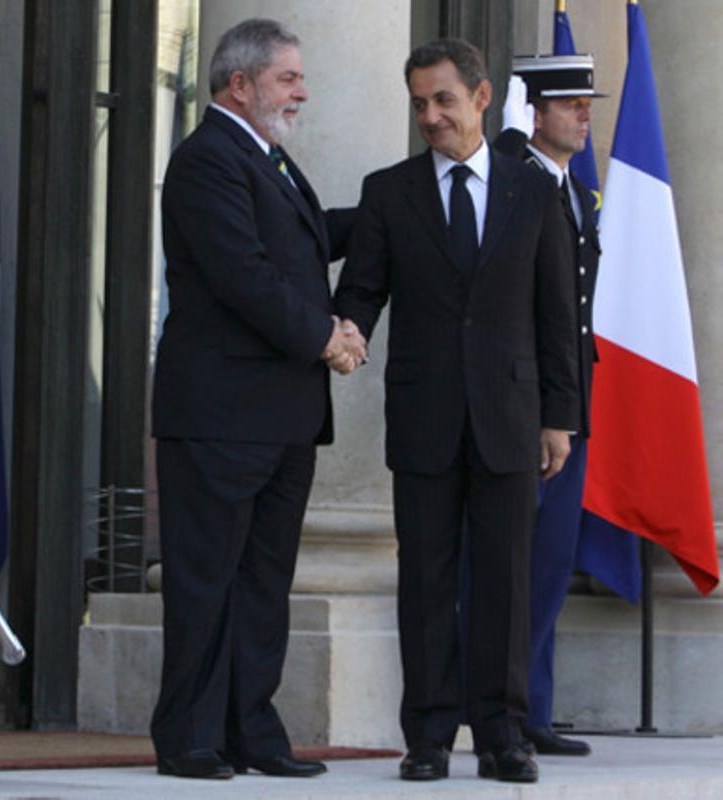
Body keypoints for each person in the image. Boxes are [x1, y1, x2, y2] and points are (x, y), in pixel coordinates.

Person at [334, 38, 579, 784]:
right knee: (427, 582)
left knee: (505, 580)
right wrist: (346, 331)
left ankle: (503, 734)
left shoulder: (532, 190)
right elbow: (364, 289)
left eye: (442, 100)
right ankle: (430, 735)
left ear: (479, 99)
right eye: (418, 104)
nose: (430, 116)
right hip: (425, 417)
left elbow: (556, 313)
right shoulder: (389, 191)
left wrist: (559, 416)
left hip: (510, 415)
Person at [150, 17, 363, 782]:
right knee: (206, 580)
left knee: (263, 584)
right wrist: (326, 339)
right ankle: (190, 736)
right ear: (238, 84)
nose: (301, 91)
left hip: (280, 417)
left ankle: (251, 728)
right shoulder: (207, 159)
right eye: (287, 78)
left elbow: (302, 246)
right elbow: (245, 277)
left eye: (299, 78)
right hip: (219, 416)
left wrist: (396, 210)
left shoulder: (265, 157)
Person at [493, 55, 605, 758]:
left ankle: (534, 705)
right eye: (569, 103)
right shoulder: (518, 184)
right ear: (532, 113)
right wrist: (548, 415)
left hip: (568, 404)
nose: (584, 115)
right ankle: (510, 709)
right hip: (535, 411)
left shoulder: (566, 188)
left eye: (586, 103)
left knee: (551, 563)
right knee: (520, 566)